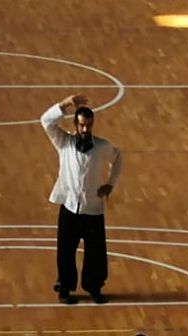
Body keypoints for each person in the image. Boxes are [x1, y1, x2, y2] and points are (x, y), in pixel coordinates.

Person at [40, 93, 123, 305]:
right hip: (69, 208)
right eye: (82, 125)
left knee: (95, 253)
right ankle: (65, 288)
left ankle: (94, 288)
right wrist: (65, 104)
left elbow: (118, 157)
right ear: (76, 125)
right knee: (65, 251)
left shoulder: (102, 146)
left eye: (89, 125)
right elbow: (46, 121)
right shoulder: (63, 142)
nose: (85, 129)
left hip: (93, 209)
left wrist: (111, 184)